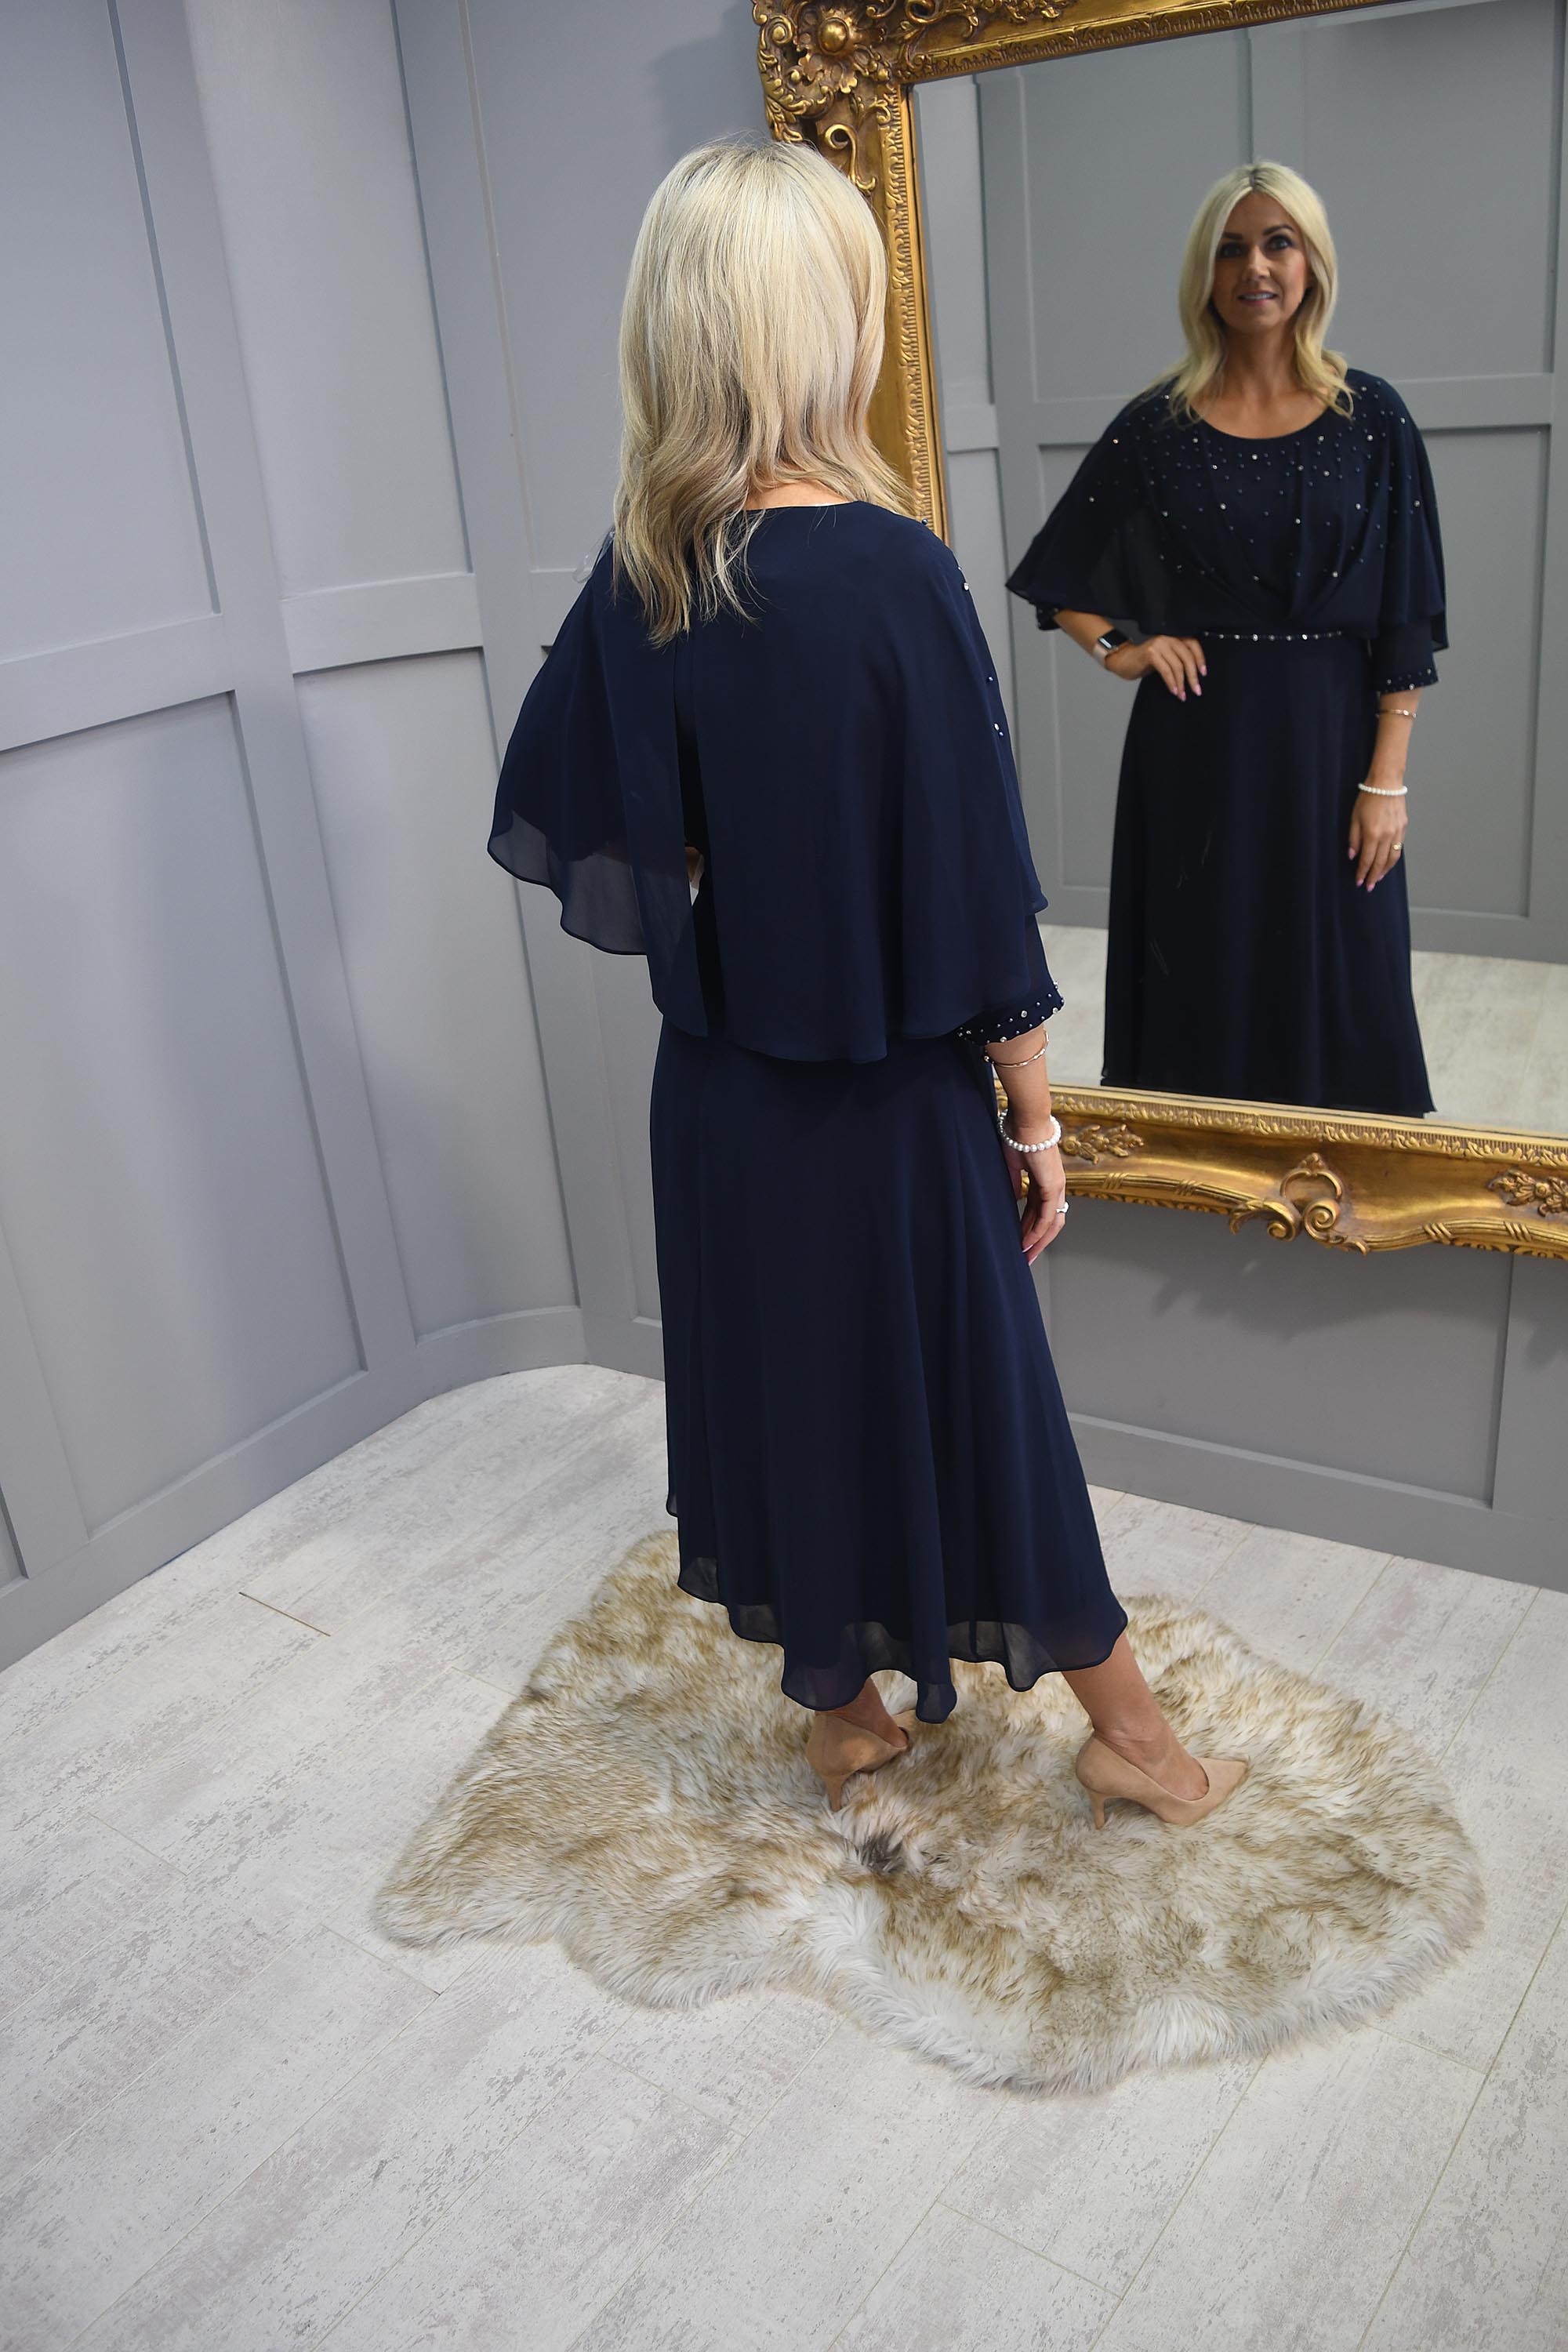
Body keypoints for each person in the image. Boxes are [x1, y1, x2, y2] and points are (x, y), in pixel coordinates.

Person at [488, 138, 1247, 1830]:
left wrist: (735, 858)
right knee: (989, 1409)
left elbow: (572, 817)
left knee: (782, 1398)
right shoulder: (895, 570)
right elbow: (977, 888)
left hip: (722, 1097)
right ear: (820, 320)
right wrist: (1035, 1119)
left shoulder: (646, 567)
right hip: (894, 1101)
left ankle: (841, 1719)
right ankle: (1132, 1741)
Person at [1007, 161, 1446, 1118]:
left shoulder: (1370, 416)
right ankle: (1198, 1159)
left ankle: (1338, 1163)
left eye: (1277, 243)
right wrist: (1118, 649)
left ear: (1310, 262)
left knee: (1343, 965)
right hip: (1196, 743)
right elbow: (1056, 573)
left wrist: (1386, 780)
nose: (1255, 266)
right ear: (1204, 274)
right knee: (1203, 953)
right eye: (1231, 248)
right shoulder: (1158, 425)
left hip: (1332, 740)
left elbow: (1404, 614)